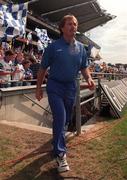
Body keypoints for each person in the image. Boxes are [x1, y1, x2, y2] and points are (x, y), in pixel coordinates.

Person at [35, 14, 95, 173]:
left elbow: (84, 66)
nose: (73, 26)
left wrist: (88, 78)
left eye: (75, 24)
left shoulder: (81, 47)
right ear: (62, 28)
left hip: (70, 88)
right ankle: (61, 155)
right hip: (55, 87)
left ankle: (56, 147)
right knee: (60, 118)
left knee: (65, 120)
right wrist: (38, 88)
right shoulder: (53, 47)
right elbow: (42, 69)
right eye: (69, 24)